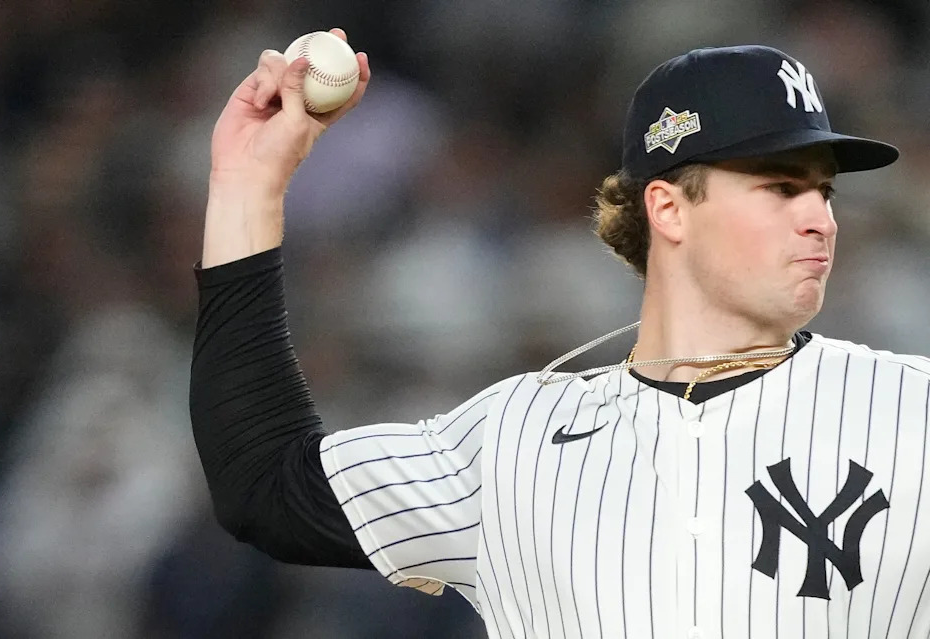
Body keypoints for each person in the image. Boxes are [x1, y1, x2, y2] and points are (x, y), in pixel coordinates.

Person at [190, 31, 930, 639]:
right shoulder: (511, 441)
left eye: (824, 191)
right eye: (781, 188)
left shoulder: (911, 410)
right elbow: (265, 484)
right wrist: (248, 188)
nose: (821, 219)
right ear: (669, 209)